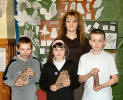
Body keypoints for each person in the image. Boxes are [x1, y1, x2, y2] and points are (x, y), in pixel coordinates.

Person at [57, 10, 91, 100]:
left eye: (74, 21)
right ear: (64, 23)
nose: (71, 24)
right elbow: (51, 61)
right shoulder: (58, 41)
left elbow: (90, 62)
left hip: (79, 80)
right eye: (68, 21)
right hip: (62, 79)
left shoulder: (85, 41)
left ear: (78, 23)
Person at [78, 29, 119, 100]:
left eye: (99, 41)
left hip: (105, 97)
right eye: (94, 40)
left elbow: (115, 79)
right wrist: (90, 74)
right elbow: (80, 80)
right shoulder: (83, 58)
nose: (96, 43)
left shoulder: (109, 57)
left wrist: (102, 86)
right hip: (88, 97)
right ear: (90, 42)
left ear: (104, 42)